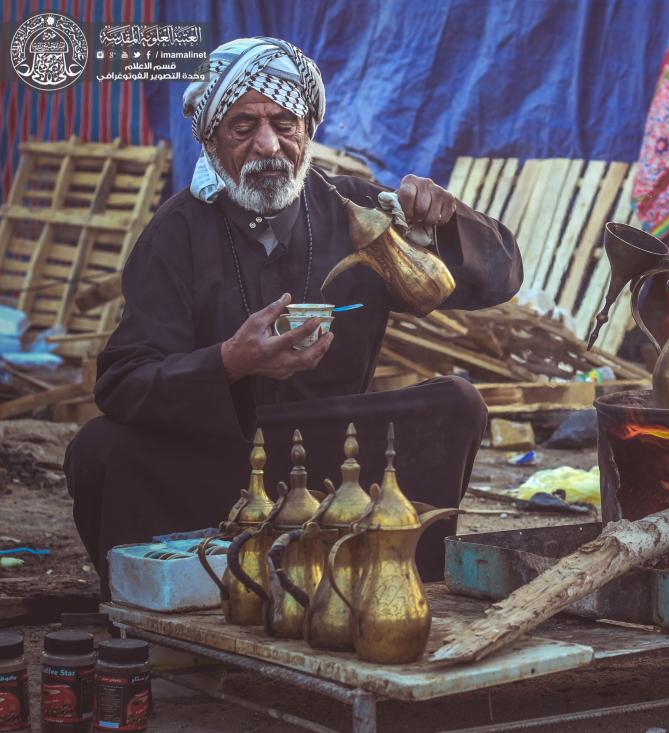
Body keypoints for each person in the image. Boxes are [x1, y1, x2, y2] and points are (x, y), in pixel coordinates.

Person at [64, 37, 522, 591]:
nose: (268, 145)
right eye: (244, 127)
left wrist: (445, 221)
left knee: (456, 402)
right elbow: (121, 382)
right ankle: (171, 603)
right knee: (100, 449)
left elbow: (498, 280)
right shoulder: (176, 232)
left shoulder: (360, 212)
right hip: (223, 461)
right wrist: (228, 362)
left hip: (342, 460)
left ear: (308, 130)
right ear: (210, 139)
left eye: (285, 124)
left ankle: (394, 583)